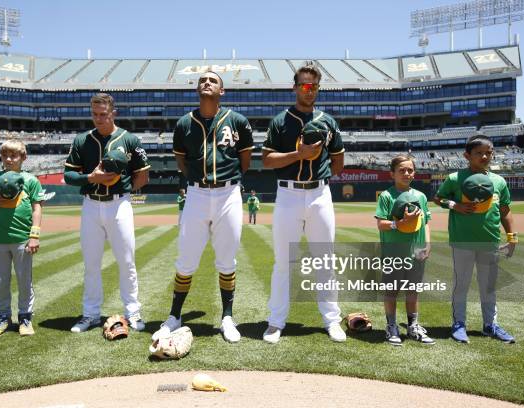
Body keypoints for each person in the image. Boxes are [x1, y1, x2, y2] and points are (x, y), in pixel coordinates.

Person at [152, 71, 254, 343]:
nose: (206, 82)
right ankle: (174, 316)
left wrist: (228, 182)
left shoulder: (237, 121)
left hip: (229, 192)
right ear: (196, 89)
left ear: (222, 91)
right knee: (186, 260)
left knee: (227, 260)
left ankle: (228, 317)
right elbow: (182, 162)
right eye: (202, 80)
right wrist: (197, 182)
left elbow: (245, 160)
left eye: (213, 81)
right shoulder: (184, 123)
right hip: (196, 194)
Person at [262, 63, 346, 344]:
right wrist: (299, 155)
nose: (309, 90)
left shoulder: (328, 121)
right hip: (288, 194)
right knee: (283, 262)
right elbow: (267, 160)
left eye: (314, 86)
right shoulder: (280, 120)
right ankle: (275, 322)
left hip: (320, 195)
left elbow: (338, 162)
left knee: (326, 260)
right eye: (304, 85)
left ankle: (332, 320)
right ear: (295, 87)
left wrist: (318, 177)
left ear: (318, 88)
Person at [64, 93, 150, 333]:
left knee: (127, 262)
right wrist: (91, 177)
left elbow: (143, 175)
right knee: (91, 264)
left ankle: (133, 313)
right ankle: (90, 314)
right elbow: (68, 176)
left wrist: (121, 188)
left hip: (118, 205)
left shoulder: (130, 139)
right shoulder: (82, 140)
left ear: (114, 113)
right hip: (91, 205)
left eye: (104, 114)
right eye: (95, 114)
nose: (99, 119)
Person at [434, 135, 517, 344]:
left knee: (488, 287)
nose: (484, 156)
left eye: (488, 152)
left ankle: (490, 325)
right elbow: (438, 198)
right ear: (467, 156)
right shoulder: (455, 178)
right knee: (461, 285)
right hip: (462, 241)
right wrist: (456, 206)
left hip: (490, 242)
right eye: (479, 153)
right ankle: (459, 324)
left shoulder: (499, 181)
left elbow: (505, 211)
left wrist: (512, 236)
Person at [0, 139, 44, 338]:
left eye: (14, 155)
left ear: (23, 158)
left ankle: (25, 318)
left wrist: (34, 236)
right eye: (5, 155)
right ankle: (2, 318)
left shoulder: (31, 180)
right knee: (0, 281)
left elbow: (37, 208)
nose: (9, 159)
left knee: (24, 280)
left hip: (22, 239)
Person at [375, 155, 434, 346]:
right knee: (391, 292)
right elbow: (381, 224)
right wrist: (399, 224)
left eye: (410, 170)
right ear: (392, 173)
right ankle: (391, 326)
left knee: (413, 291)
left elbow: (425, 223)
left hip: (416, 253)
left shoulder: (421, 197)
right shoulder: (386, 196)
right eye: (402, 170)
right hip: (394, 254)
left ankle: (413, 326)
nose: (407, 173)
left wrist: (427, 243)